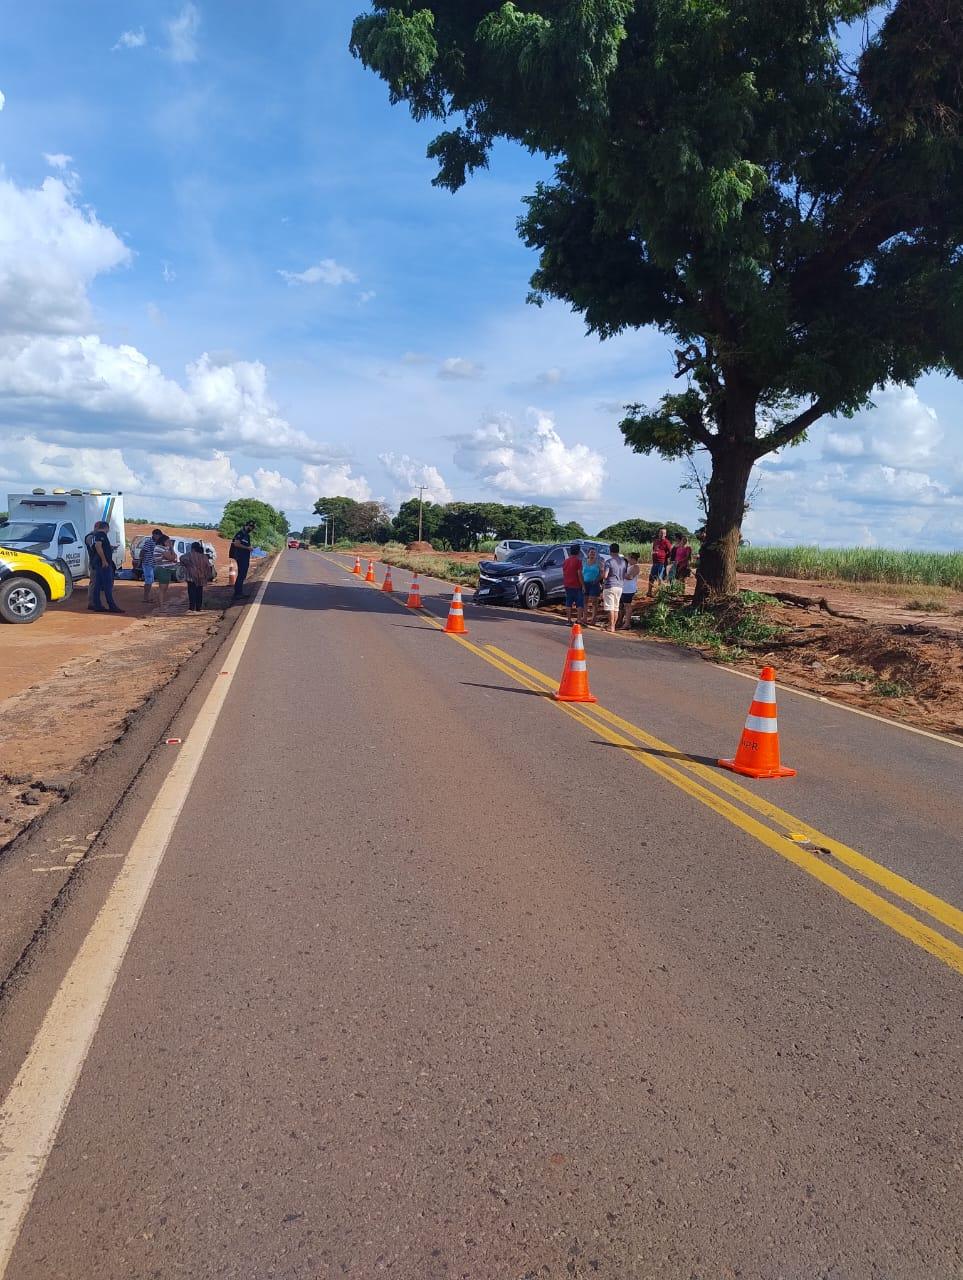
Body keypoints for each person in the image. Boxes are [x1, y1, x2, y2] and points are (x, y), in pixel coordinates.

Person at [87, 520, 124, 614]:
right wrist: (104, 560)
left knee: (98, 585)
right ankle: (111, 605)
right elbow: (98, 547)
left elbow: (99, 546)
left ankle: (97, 605)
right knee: (107, 585)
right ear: (106, 528)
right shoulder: (100, 535)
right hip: (102, 564)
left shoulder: (95, 536)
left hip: (98, 563)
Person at [179, 541, 212, 612]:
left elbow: (181, 558)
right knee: (199, 592)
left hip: (191, 576)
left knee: (191, 591)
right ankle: (198, 607)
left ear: (193, 548)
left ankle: (192, 607)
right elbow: (208, 566)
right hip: (202, 577)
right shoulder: (204, 556)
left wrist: (187, 564)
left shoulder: (189, 555)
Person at [601, 542, 626, 634]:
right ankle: (613, 626)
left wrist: (602, 569)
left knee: (610, 607)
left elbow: (605, 575)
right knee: (616, 607)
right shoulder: (623, 562)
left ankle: (611, 626)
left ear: (610, 551)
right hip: (620, 586)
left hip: (610, 585)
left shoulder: (609, 562)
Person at [138, 528, 165, 604]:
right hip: (147, 563)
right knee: (149, 581)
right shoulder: (149, 542)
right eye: (158, 535)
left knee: (150, 581)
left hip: (152, 564)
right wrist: (140, 560)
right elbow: (142, 551)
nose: (159, 537)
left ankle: (147, 597)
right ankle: (145, 598)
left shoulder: (157, 543)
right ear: (154, 535)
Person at [230, 520, 255, 600]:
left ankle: (239, 593)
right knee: (241, 575)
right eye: (250, 526)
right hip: (240, 557)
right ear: (246, 525)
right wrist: (247, 548)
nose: (251, 528)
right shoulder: (240, 534)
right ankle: (237, 594)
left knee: (243, 575)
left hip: (245, 557)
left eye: (252, 527)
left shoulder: (246, 535)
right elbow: (236, 543)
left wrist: (250, 549)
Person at [561, 544, 585, 626]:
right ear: (578, 552)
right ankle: (578, 620)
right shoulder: (578, 561)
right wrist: (583, 585)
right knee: (579, 603)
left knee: (569, 602)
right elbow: (579, 573)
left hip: (567, 584)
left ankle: (568, 620)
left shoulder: (566, 561)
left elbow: (564, 572)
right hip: (576, 584)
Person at [153, 535, 177, 611]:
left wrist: (172, 553)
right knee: (162, 589)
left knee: (164, 588)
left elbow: (174, 557)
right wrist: (172, 549)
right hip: (163, 570)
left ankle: (161, 604)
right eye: (168, 541)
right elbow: (172, 558)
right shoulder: (160, 548)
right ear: (164, 541)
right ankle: (161, 606)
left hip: (164, 569)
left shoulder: (163, 548)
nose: (170, 543)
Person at [618, 552, 642, 629]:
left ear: (632, 558)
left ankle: (627, 623)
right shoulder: (628, 566)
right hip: (623, 588)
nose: (628, 559)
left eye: (629, 558)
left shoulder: (635, 567)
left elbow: (630, 577)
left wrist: (621, 573)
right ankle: (619, 621)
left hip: (629, 589)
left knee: (627, 606)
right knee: (621, 606)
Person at [647, 526, 673, 595]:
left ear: (665, 534)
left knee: (660, 578)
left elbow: (671, 552)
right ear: (658, 533)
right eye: (661, 533)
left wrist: (665, 557)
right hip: (655, 562)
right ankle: (649, 592)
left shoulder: (667, 542)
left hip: (662, 563)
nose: (662, 534)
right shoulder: (656, 541)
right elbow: (654, 549)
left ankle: (660, 594)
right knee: (651, 577)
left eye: (663, 533)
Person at [582, 547, 602, 627]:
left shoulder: (598, 562)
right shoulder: (584, 561)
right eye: (591, 552)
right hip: (585, 583)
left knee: (594, 602)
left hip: (594, 583)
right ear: (588, 553)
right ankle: (585, 618)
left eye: (594, 553)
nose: (592, 554)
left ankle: (593, 619)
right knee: (585, 601)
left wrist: (597, 580)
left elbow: (601, 573)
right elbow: (580, 572)